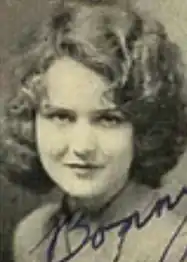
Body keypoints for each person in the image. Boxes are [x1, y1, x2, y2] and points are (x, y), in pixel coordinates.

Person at [0, 0, 187, 261]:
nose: (82, 146)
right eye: (61, 116)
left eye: (108, 119)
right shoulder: (32, 236)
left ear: (145, 130)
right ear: (30, 121)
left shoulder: (175, 248)